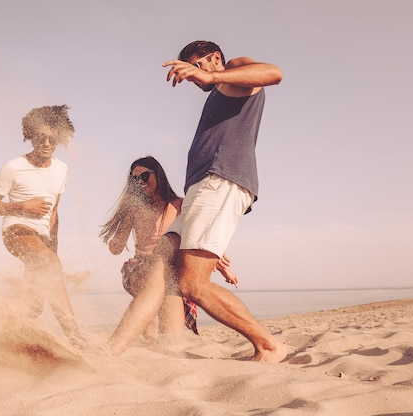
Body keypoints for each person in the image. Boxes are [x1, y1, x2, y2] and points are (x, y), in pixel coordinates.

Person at [106, 40, 286, 363]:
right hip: (199, 190)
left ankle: (268, 344)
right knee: (158, 271)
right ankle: (109, 352)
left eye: (195, 67)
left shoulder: (232, 71)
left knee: (191, 282)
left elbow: (274, 73)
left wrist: (212, 77)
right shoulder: (221, 88)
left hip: (220, 180)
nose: (193, 78)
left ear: (215, 57)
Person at [0, 104, 86, 348]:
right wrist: (22, 207)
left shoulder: (62, 169)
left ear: (60, 138)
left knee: (34, 302)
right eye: (40, 137)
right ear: (30, 135)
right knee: (49, 267)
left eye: (52, 138)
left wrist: (54, 250)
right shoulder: (13, 167)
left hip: (42, 238)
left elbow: (54, 212)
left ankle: (3, 341)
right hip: (16, 231)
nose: (46, 143)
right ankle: (75, 338)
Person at [99, 156, 198, 348]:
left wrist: (222, 264)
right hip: (140, 268)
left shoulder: (179, 205)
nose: (141, 182)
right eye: (135, 179)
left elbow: (196, 235)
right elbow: (116, 249)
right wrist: (120, 229)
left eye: (144, 176)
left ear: (158, 174)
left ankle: (155, 340)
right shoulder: (135, 209)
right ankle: (145, 335)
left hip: (168, 270)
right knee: (159, 276)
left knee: (172, 338)